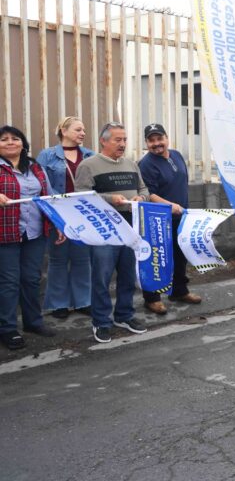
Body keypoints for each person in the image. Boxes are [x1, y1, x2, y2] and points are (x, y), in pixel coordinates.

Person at [75, 122, 149, 343]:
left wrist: (141, 198)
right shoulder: (88, 165)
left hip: (130, 224)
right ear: (103, 141)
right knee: (102, 276)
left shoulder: (131, 164)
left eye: (125, 139)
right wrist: (110, 199)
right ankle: (101, 321)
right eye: (117, 140)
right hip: (104, 228)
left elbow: (144, 189)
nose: (122, 144)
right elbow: (81, 195)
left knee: (128, 274)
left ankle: (124, 315)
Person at [0, 125, 61, 350]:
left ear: (23, 144)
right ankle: (7, 329)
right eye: (4, 139)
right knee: (8, 282)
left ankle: (33, 322)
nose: (9, 142)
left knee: (31, 279)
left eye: (15, 139)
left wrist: (58, 224)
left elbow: (49, 196)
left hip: (34, 232)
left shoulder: (35, 167)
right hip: (5, 233)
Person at [138, 123, 202, 315]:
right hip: (158, 219)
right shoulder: (146, 164)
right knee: (156, 259)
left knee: (180, 255)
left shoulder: (176, 154)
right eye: (152, 140)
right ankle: (152, 299)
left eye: (160, 139)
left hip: (180, 216)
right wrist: (169, 206)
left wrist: (180, 207)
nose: (157, 144)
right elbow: (148, 194)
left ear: (167, 138)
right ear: (147, 143)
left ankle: (179, 291)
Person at [36, 116, 94, 319]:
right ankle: (59, 303)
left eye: (84, 130)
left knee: (82, 259)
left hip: (83, 214)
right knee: (58, 260)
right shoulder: (47, 155)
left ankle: (83, 301)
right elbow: (41, 186)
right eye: (78, 129)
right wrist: (53, 218)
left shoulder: (89, 154)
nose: (83, 133)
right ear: (64, 131)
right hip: (57, 213)